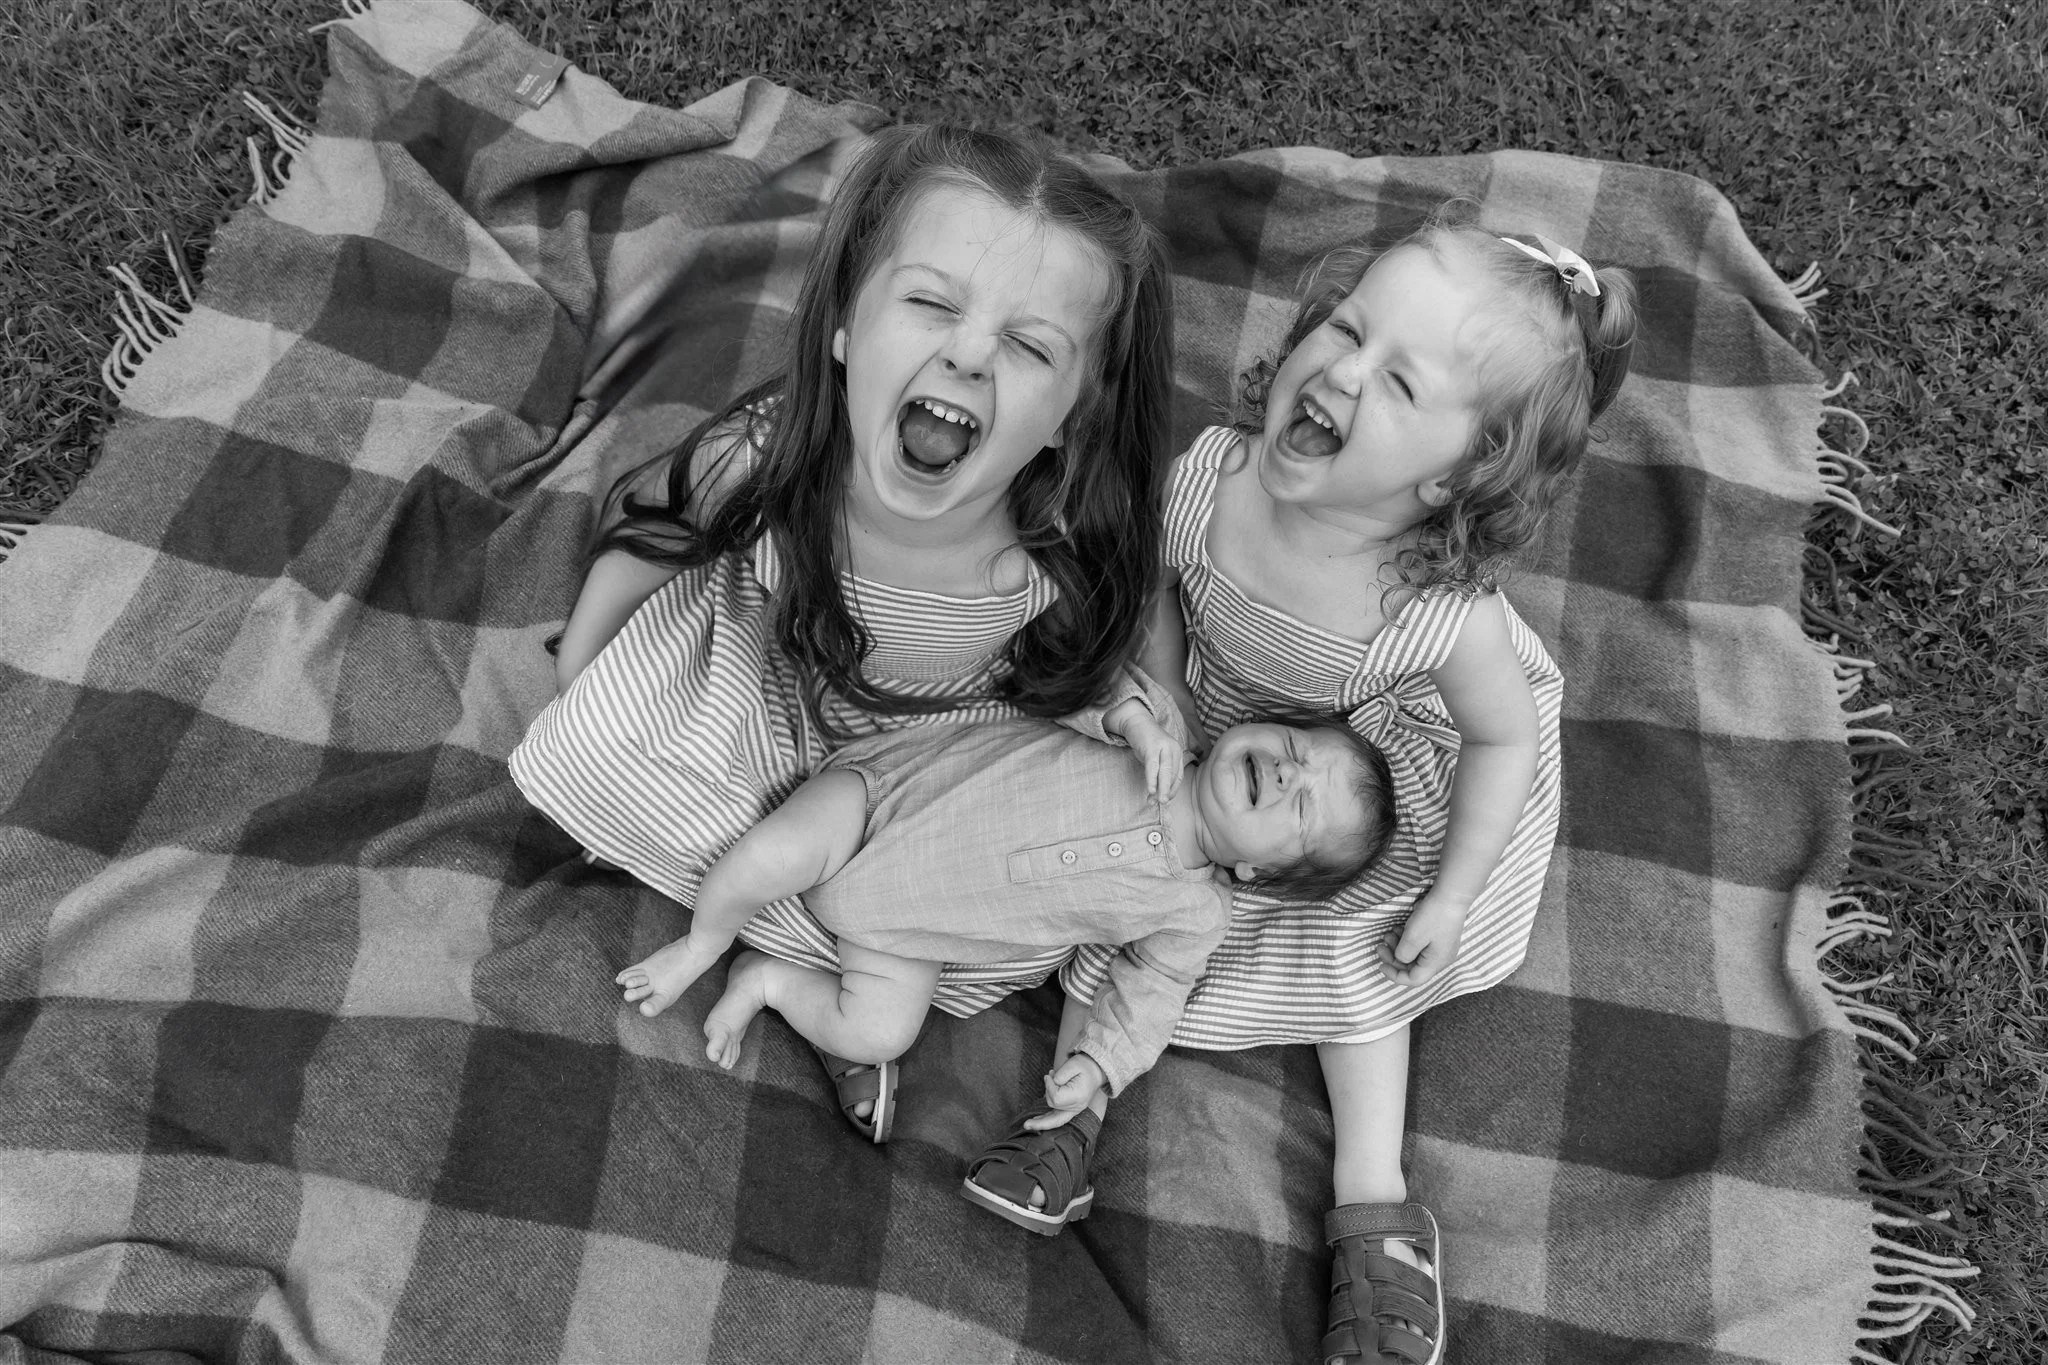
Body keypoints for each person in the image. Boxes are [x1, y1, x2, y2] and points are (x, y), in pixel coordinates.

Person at [963, 210, 1638, 1365]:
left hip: (1359, 759)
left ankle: (1374, 1201)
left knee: (1354, 944)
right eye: (1345, 325)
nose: (1339, 367)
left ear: (1461, 470)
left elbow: (1502, 743)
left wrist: (1452, 889)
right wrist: (1165, 689)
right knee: (1108, 862)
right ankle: (1069, 1113)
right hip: (1213, 710)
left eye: (1398, 380)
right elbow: (1170, 584)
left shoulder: (1432, 611)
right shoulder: (1215, 475)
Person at [509, 125, 1174, 1133]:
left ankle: (790, 957)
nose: (967, 350)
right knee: (595, 742)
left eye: (1030, 345)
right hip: (769, 695)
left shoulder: (1058, 548)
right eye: (931, 304)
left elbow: (1125, 632)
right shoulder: (774, 457)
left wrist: (1145, 706)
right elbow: (654, 539)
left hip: (928, 770)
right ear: (844, 330)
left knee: (1021, 913)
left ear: (1073, 414)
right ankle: (798, 920)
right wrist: (584, 667)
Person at [616, 673, 1396, 1176]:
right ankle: (706, 940)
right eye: (1296, 750)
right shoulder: (1159, 724)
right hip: (881, 800)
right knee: (770, 856)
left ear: (1261, 872)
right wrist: (1130, 719)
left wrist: (1098, 1066)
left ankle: (770, 980)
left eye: (1300, 807)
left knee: (883, 1032)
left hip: (907, 936)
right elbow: (1069, 676)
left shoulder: (1196, 915)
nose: (1290, 772)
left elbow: (1150, 994)